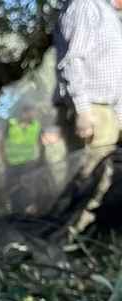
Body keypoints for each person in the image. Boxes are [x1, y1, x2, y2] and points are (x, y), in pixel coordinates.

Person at [53, 0, 122, 181]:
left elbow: (115, 69)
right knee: (90, 180)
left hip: (107, 110)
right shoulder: (86, 4)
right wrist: (83, 109)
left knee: (104, 178)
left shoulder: (109, 12)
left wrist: (119, 115)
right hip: (92, 109)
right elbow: (72, 60)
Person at [0, 103, 51, 213]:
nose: (33, 114)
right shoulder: (10, 124)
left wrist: (41, 160)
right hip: (11, 164)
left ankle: (27, 213)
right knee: (13, 189)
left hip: (28, 163)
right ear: (23, 113)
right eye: (30, 112)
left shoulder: (36, 125)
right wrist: (4, 160)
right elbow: (1, 143)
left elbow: (41, 143)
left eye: (34, 112)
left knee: (27, 189)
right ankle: (15, 213)